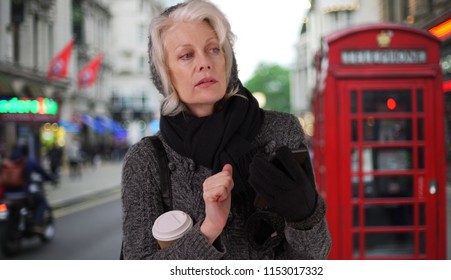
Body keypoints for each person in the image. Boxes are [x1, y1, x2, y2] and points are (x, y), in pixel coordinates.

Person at [121, 0, 331, 260]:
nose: (205, 63)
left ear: (227, 60)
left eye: (213, 49)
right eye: (187, 55)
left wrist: (305, 217)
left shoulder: (281, 131)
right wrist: (208, 230)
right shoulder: (146, 160)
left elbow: (314, 259)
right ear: (165, 73)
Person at [5, 144, 54, 233]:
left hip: (7, 195)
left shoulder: (8, 162)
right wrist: (51, 178)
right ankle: (36, 224)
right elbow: (43, 173)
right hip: (22, 194)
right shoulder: (28, 161)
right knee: (41, 202)